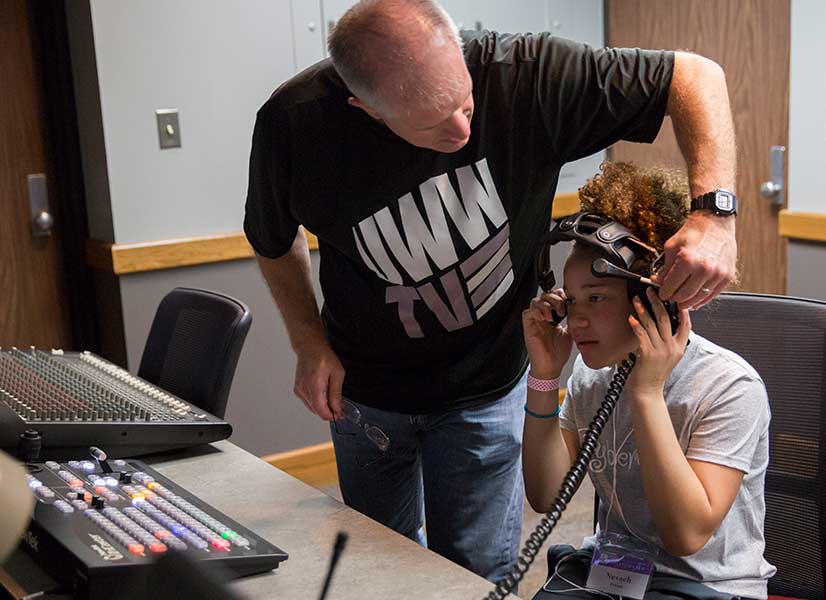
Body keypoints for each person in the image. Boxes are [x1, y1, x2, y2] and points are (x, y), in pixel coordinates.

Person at [243, 0, 738, 584]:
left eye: (465, 102)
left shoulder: (522, 73)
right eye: (432, 123)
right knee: (379, 577)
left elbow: (695, 75)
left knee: (474, 574)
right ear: (365, 109)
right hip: (367, 391)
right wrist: (308, 340)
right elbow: (273, 239)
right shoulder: (293, 124)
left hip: (485, 382)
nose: (461, 130)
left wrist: (715, 214)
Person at [522, 162, 773, 599]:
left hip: (707, 587)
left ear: (654, 299)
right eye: (572, 300)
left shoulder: (730, 388)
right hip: (614, 578)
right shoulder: (591, 374)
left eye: (597, 298)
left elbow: (685, 535)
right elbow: (546, 495)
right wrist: (544, 374)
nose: (576, 320)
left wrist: (646, 391)